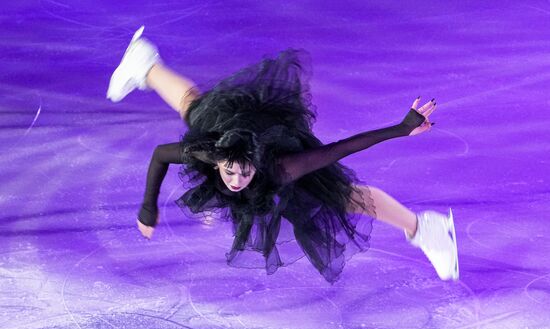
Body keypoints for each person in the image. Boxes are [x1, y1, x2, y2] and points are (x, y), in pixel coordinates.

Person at [106, 26, 459, 284]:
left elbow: (343, 148)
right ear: (219, 161)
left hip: (278, 141)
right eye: (230, 173)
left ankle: (426, 228)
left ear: (255, 168)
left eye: (242, 175)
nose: (234, 182)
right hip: (230, 126)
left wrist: (400, 128)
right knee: (196, 110)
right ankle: (145, 63)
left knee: (342, 196)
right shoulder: (211, 154)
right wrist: (147, 208)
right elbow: (160, 156)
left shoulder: (281, 168)